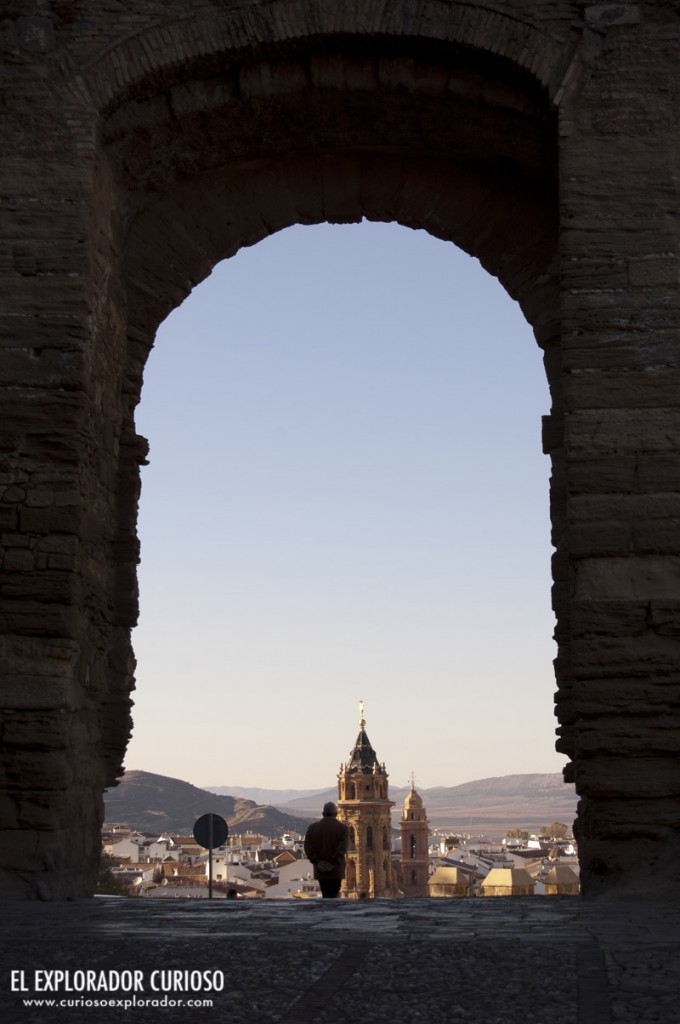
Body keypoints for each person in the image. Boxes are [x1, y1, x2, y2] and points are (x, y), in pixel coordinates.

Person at [304, 801, 349, 898]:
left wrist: (319, 862)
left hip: (321, 870)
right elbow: (342, 848)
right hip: (336, 870)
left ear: (323, 814)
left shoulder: (312, 828)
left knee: (325, 894)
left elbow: (308, 847)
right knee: (334, 894)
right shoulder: (343, 829)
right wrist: (333, 863)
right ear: (336, 814)